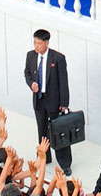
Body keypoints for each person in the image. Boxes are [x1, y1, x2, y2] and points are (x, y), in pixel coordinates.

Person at [23, 28, 72, 175]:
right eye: (34, 42)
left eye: (39, 43)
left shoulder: (58, 59)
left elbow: (63, 82)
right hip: (39, 100)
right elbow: (27, 73)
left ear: (46, 43)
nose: (36, 46)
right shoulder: (31, 56)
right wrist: (31, 83)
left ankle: (65, 163)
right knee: (42, 130)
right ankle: (44, 157)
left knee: (59, 132)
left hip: (54, 102)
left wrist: (64, 104)